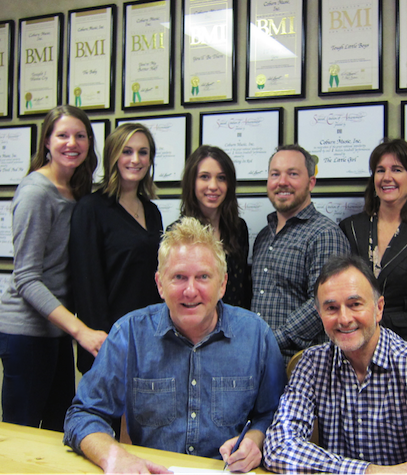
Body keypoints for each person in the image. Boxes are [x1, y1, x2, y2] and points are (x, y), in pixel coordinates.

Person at [64, 217, 286, 474]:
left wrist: (254, 440)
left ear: (222, 284)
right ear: (160, 284)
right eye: (179, 277)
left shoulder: (257, 336)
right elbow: (82, 414)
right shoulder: (129, 335)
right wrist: (113, 456)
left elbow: (273, 414)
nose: (190, 291)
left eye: (203, 277)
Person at [263, 255, 407, 474]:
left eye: (355, 304)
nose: (344, 318)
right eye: (331, 308)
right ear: (319, 314)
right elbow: (278, 447)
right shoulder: (311, 364)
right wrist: (369, 471)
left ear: (379, 308)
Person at [0, 106, 107, 431]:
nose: (71, 143)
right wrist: (80, 331)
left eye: (80, 135)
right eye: (62, 135)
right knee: (23, 433)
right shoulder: (36, 192)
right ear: (47, 141)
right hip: (26, 333)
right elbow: (26, 279)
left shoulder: (76, 192)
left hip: (55, 333)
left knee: (60, 428)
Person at [339, 139, 407, 353]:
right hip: (354, 344)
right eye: (380, 170)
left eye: (397, 169)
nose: (386, 177)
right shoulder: (350, 227)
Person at [69, 123, 163, 374]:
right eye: (127, 151)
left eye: (143, 152)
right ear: (113, 156)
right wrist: (107, 344)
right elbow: (87, 287)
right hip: (107, 343)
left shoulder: (152, 211)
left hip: (148, 339)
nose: (135, 159)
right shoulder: (90, 209)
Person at [251, 144, 350, 361]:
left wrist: (270, 339)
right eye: (275, 174)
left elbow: (324, 302)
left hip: (301, 366)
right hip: (258, 360)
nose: (282, 182)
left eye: (293, 174)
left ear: (311, 182)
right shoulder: (262, 237)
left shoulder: (325, 234)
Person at [180, 145, 250, 308]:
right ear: (192, 182)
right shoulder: (178, 233)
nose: (213, 186)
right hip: (194, 326)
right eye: (204, 177)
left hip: (234, 327)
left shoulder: (239, 228)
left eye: (221, 178)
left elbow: (242, 289)